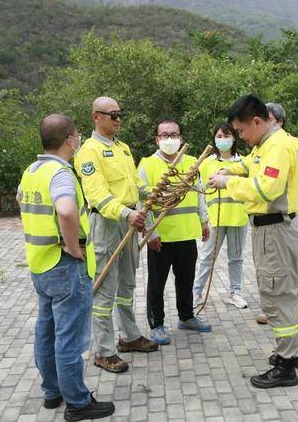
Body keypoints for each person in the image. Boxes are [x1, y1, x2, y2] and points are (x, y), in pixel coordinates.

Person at [17, 114, 115, 421]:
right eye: (77, 135)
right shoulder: (60, 172)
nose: (79, 139)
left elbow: (20, 199)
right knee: (69, 338)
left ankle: (52, 392)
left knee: (46, 332)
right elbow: (66, 210)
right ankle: (77, 402)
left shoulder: (32, 170)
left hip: (40, 265)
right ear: (69, 140)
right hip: (65, 267)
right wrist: (73, 247)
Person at [209, 95, 298, 389]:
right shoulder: (265, 145)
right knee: (285, 291)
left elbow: (266, 189)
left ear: (257, 121)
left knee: (276, 293)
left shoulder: (276, 147)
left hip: (275, 231)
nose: (240, 137)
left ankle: (286, 363)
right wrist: (230, 169)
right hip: (274, 229)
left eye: (241, 131)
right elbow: (251, 166)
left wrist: (227, 183)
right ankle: (296, 350)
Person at [74, 97, 158, 376]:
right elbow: (96, 194)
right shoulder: (89, 151)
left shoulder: (122, 149)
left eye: (121, 114)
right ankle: (105, 351)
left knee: (127, 285)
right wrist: (125, 213)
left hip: (129, 223)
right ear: (96, 117)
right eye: (113, 115)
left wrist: (155, 192)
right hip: (108, 225)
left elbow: (134, 185)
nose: (118, 119)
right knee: (104, 289)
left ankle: (130, 336)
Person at [138, 118, 212, 345]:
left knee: (186, 279)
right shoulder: (147, 165)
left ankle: (186, 316)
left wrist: (204, 220)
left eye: (174, 134)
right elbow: (143, 202)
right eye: (164, 135)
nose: (170, 139)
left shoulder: (191, 161)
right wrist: (150, 232)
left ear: (181, 138)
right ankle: (157, 323)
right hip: (162, 236)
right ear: (156, 139)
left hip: (187, 233)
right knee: (157, 282)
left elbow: (199, 194)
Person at [263, 102, 298, 327]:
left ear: (280, 121)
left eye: (269, 119)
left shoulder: (297, 145)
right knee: (271, 267)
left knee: (296, 264)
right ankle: (272, 308)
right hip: (269, 219)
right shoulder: (263, 146)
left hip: (291, 214)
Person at [193, 123, 249, 309]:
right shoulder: (206, 163)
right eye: (219, 136)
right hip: (215, 218)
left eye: (226, 136)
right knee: (207, 257)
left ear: (234, 138)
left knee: (236, 257)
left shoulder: (243, 163)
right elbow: (201, 191)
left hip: (238, 217)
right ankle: (196, 292)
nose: (222, 140)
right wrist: (202, 219)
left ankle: (235, 292)